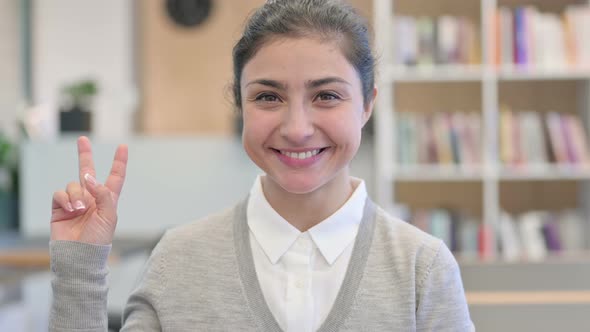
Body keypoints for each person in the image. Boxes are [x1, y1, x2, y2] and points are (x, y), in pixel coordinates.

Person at [49, 0, 474, 331]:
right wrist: (80, 266)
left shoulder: (423, 268)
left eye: (326, 95)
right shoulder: (178, 260)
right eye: (268, 97)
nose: (297, 128)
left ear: (368, 105)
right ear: (240, 104)